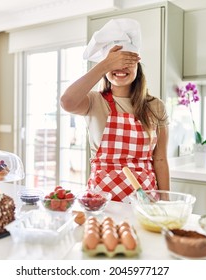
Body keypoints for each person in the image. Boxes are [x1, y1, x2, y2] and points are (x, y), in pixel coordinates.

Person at [60, 18, 170, 203]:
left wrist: (167, 203)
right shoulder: (94, 101)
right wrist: (104, 64)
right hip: (101, 202)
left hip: (144, 201)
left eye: (128, 61)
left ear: (137, 65)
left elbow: (159, 160)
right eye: (114, 63)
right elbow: (67, 102)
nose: (121, 68)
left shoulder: (155, 106)